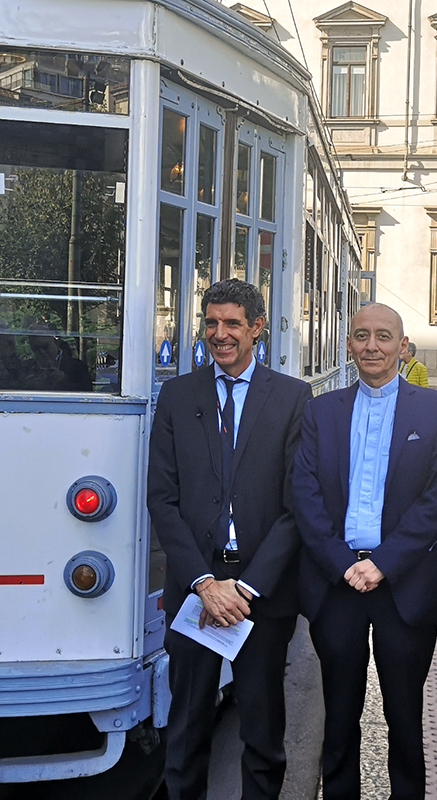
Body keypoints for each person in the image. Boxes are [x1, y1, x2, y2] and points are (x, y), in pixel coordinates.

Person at [147, 278, 312, 800]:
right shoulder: (177, 395)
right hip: (197, 589)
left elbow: (295, 509)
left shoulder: (292, 398)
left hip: (262, 594)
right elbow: (162, 499)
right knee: (187, 723)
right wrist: (203, 582)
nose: (220, 334)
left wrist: (246, 588)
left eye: (232, 324)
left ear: (257, 328)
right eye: (212, 322)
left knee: (262, 731)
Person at [291, 303, 437, 800]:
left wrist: (382, 564)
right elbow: (305, 494)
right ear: (348, 345)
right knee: (338, 714)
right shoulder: (321, 410)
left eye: (383, 336)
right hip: (336, 583)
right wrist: (345, 564)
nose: (372, 346)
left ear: (402, 346)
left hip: (404, 586)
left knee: (404, 714)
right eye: (361, 336)